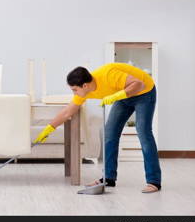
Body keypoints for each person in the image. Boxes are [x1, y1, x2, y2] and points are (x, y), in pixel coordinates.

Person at [34, 63, 161, 193]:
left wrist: (116, 96)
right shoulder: (84, 92)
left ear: (85, 85)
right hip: (123, 95)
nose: (74, 93)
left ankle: (154, 181)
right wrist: (49, 128)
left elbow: (139, 84)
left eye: (74, 90)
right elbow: (68, 112)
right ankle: (108, 178)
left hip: (144, 92)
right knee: (109, 134)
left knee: (143, 132)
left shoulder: (108, 75)